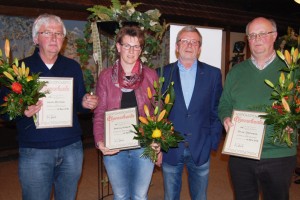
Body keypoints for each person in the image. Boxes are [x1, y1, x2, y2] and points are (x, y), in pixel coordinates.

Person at [0, 14, 98, 200]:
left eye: (59, 34)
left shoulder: (72, 67)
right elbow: (5, 112)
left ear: (64, 39)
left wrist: (86, 103)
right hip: (35, 151)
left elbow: (79, 103)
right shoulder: (19, 69)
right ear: (36, 38)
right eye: (48, 33)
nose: (54, 38)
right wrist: (22, 111)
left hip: (71, 148)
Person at [218, 17, 297, 200]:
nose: (257, 39)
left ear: (274, 36)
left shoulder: (292, 71)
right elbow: (224, 104)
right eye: (252, 35)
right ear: (247, 39)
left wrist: (294, 123)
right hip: (241, 153)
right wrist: (225, 118)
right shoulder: (236, 72)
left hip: (279, 155)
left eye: (263, 34)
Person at [93, 25, 159, 200]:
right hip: (114, 147)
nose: (132, 50)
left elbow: (159, 112)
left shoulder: (151, 76)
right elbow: (99, 112)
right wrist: (100, 140)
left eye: (136, 46)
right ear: (118, 47)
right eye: (127, 45)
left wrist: (157, 140)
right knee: (121, 195)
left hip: (144, 146)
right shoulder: (106, 77)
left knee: (140, 195)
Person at [159, 25, 223, 200]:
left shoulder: (213, 74)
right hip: (170, 148)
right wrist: (158, 144)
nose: (189, 45)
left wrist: (212, 140)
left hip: (201, 146)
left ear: (200, 48)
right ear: (177, 47)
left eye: (194, 42)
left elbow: (216, 109)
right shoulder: (162, 73)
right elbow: (156, 112)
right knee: (170, 196)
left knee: (200, 196)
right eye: (184, 41)